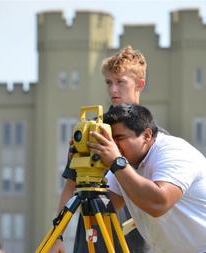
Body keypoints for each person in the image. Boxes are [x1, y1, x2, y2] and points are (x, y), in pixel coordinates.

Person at [85, 104, 206, 252]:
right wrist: (91, 168)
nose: (113, 146)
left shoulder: (173, 151)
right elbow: (98, 213)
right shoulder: (123, 164)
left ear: (146, 135)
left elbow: (158, 203)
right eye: (110, 140)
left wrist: (116, 162)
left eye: (119, 138)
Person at [49, 46, 149, 253]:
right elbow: (70, 186)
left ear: (139, 84)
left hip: (137, 243)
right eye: (109, 82)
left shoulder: (152, 135)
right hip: (90, 240)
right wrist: (56, 236)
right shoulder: (89, 130)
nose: (113, 89)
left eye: (120, 82)